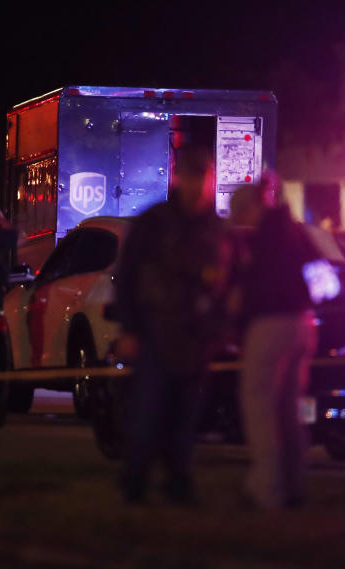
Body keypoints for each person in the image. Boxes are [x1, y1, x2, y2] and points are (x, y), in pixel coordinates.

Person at [113, 148, 233, 504]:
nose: (198, 188)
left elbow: (225, 286)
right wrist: (129, 329)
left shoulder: (215, 230)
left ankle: (177, 482)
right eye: (193, 179)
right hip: (155, 334)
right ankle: (135, 482)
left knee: (184, 419)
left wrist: (218, 330)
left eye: (205, 180)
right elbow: (129, 278)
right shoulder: (153, 224)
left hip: (195, 340)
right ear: (179, 180)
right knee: (148, 414)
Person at [230, 172, 320, 510]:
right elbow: (324, 278)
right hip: (302, 324)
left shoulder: (262, 240)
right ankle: (295, 486)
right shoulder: (295, 231)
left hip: (268, 325)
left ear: (252, 207)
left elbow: (245, 290)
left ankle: (266, 489)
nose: (239, 222)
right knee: (288, 410)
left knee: (260, 408)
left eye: (240, 214)